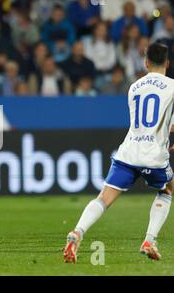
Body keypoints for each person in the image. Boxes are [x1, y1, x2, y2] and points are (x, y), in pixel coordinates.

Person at [63, 43, 173, 263]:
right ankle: (149, 240)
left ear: (146, 62)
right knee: (167, 191)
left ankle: (77, 232)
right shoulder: (172, 86)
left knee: (103, 198)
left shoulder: (134, 87)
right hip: (154, 155)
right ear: (167, 64)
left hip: (128, 152)